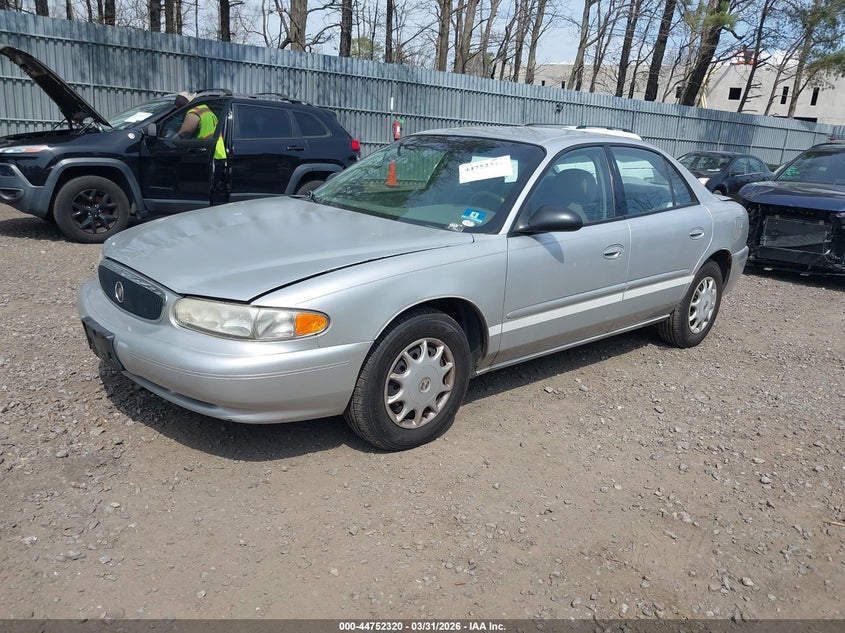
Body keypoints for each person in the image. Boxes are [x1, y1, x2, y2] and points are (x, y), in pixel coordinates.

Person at [173, 91, 229, 205]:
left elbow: (184, 133)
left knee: (205, 190)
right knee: (213, 190)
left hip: (208, 154)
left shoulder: (194, 112)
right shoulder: (206, 110)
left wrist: (173, 137)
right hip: (218, 153)